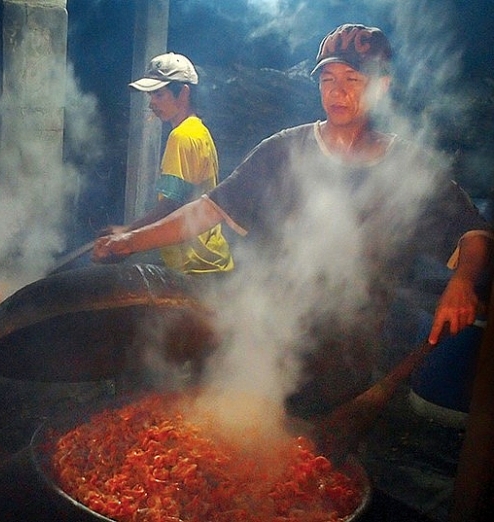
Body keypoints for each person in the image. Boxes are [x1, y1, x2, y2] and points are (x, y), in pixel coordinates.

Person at [93, 24, 493, 417]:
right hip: (263, 345)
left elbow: (473, 231)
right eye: (328, 78)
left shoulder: (409, 166)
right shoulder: (283, 151)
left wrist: (462, 280)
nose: (337, 90)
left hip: (348, 364)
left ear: (382, 85)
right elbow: (208, 209)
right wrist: (132, 240)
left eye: (353, 78)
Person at [103, 52, 233, 276]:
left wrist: (127, 234)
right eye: (150, 95)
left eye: (159, 95)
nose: (152, 103)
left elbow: (172, 204)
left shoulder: (181, 137)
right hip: (211, 261)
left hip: (196, 267)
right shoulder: (199, 130)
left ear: (183, 93)